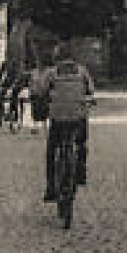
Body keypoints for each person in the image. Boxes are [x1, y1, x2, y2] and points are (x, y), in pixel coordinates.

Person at [32, 41, 96, 202]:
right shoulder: (81, 71)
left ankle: (51, 187)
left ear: (57, 58)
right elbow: (91, 90)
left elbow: (40, 91)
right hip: (78, 117)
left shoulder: (52, 73)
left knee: (52, 150)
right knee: (81, 142)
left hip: (58, 118)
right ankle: (80, 173)